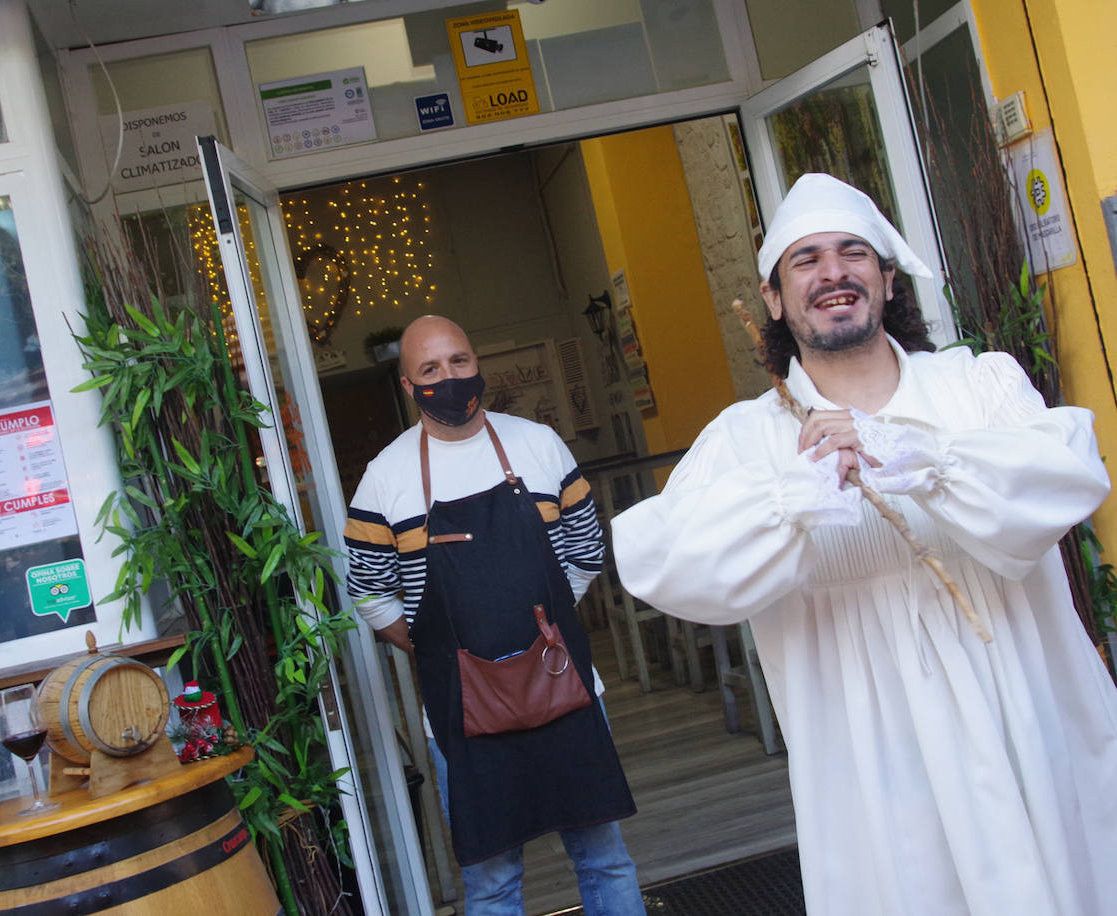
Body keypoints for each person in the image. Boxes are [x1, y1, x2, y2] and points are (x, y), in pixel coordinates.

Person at [612, 172, 1117, 916]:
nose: (833, 273)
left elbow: (1069, 472)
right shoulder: (748, 442)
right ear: (776, 300)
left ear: (885, 279)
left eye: (853, 253)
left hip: (1030, 721)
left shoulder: (977, 387)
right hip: (877, 764)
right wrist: (794, 493)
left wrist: (917, 457)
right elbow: (663, 559)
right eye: (805, 260)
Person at [343, 315, 644, 915]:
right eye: (430, 370)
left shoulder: (538, 444)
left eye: (459, 362)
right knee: (491, 883)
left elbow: (586, 551)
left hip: (567, 690)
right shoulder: (386, 480)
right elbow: (370, 593)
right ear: (408, 385)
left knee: (604, 858)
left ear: (477, 363)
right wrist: (435, 642)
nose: (448, 377)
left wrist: (546, 627)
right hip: (461, 710)